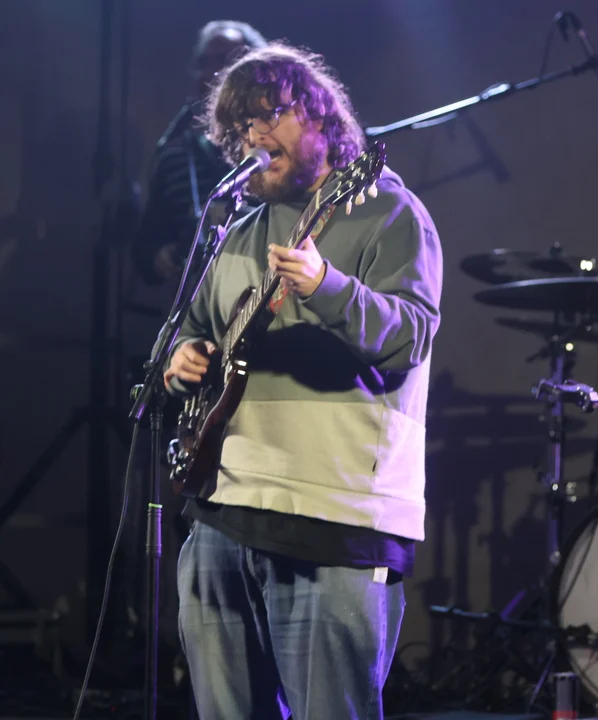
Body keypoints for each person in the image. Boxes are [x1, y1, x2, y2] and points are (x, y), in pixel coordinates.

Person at [163, 41, 442, 719]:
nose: (253, 139)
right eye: (239, 130)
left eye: (268, 116)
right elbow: (191, 327)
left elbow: (410, 336)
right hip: (222, 511)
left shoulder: (389, 212)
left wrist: (326, 285)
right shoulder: (238, 232)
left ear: (319, 115)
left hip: (334, 520)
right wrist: (182, 358)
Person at [131, 20, 268, 291]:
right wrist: (160, 255)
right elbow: (146, 244)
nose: (213, 72)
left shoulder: (276, 153)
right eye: (205, 63)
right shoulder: (176, 158)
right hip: (197, 301)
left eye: (227, 61)